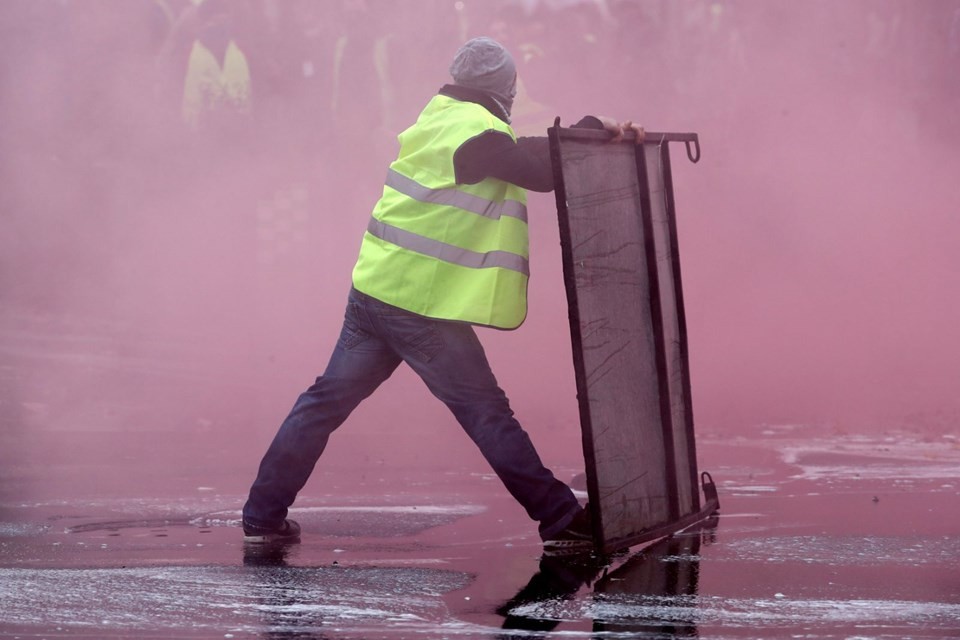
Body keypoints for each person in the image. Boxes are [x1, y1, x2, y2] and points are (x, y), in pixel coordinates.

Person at [241, 36, 643, 552]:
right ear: (505, 88)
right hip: (420, 306)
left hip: (375, 291)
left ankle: (261, 516)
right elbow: (539, 170)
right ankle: (561, 518)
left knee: (322, 403)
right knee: (485, 412)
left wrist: (584, 131)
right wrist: (593, 130)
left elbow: (520, 153)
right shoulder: (475, 131)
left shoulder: (440, 115)